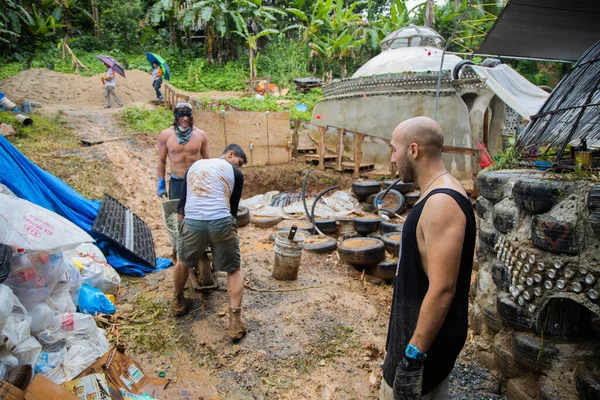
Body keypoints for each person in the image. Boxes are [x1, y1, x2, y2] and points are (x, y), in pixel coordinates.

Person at [381, 117, 476, 399]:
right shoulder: (435, 193)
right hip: (412, 343)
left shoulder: (441, 203)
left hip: (421, 355)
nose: (392, 159)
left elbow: (442, 287)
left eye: (393, 149)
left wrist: (412, 358)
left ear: (413, 150)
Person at [173, 144, 247, 339]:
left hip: (192, 222)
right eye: (238, 163)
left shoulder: (194, 166)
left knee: (183, 261)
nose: (238, 168)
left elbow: (181, 207)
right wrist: (228, 238)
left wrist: (181, 235)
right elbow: (232, 211)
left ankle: (179, 302)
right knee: (234, 269)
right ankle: (235, 322)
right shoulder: (236, 174)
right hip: (221, 221)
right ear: (230, 154)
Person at [157, 102, 210, 200]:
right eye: (181, 115)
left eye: (187, 115)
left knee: (197, 211)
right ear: (176, 117)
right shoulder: (166, 135)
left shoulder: (200, 135)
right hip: (177, 182)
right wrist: (161, 183)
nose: (185, 118)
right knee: (178, 211)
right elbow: (161, 160)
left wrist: (208, 181)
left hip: (196, 181)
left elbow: (207, 161)